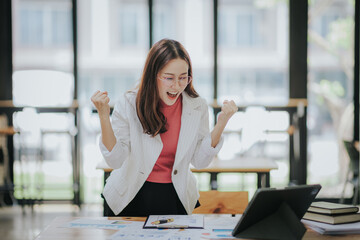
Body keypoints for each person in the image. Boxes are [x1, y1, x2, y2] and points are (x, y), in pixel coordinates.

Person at [91, 39, 238, 216]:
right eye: (169, 78)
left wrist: (222, 123)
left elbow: (200, 161)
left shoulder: (197, 106)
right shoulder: (130, 103)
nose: (176, 86)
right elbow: (115, 160)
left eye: (183, 77)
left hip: (175, 195)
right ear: (154, 75)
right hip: (130, 196)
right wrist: (103, 116)